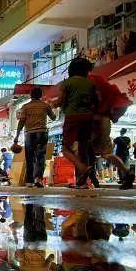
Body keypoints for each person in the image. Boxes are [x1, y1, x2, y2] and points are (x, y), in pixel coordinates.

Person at [54, 58, 98, 188]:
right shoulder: (91, 84)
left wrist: (53, 104)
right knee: (83, 150)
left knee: (66, 149)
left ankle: (82, 168)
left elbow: (60, 101)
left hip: (72, 117)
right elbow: (96, 102)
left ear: (71, 69)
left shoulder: (67, 83)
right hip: (88, 118)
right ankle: (82, 182)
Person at [14, 87, 57, 188]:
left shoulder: (25, 107)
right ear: (41, 95)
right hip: (42, 133)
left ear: (30, 95)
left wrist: (16, 136)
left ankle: (29, 181)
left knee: (29, 158)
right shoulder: (45, 106)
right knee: (40, 157)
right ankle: (38, 179)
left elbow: (21, 122)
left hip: (29, 134)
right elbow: (54, 118)